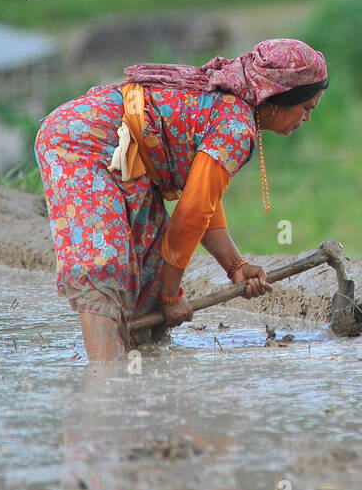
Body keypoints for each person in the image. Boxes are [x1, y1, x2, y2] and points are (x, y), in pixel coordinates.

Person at [34, 38, 328, 361]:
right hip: (82, 142)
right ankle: (104, 384)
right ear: (279, 98)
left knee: (149, 273)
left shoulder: (233, 109)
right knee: (105, 263)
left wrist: (236, 267)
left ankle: (140, 371)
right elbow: (192, 212)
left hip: (130, 159)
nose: (307, 118)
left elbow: (201, 199)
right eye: (306, 108)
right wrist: (171, 297)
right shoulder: (236, 126)